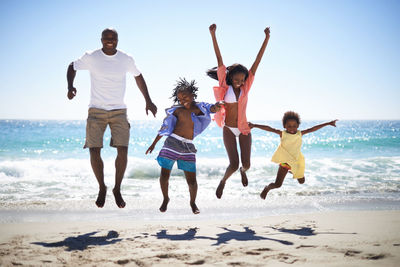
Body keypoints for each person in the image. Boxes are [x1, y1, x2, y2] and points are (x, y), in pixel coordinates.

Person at [66, 28, 157, 208]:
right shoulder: (91, 56)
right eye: (106, 38)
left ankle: (117, 188)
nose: (110, 41)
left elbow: (138, 77)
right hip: (96, 111)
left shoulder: (125, 59)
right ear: (101, 39)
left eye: (113, 38)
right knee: (94, 150)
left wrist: (148, 100)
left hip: (119, 111)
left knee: (122, 150)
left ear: (117, 40)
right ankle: (102, 187)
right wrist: (70, 86)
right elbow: (72, 66)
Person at [207, 24, 270, 199]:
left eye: (242, 80)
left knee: (246, 164)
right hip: (228, 127)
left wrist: (266, 39)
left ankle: (244, 171)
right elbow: (219, 59)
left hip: (243, 128)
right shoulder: (224, 85)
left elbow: (257, 62)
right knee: (232, 165)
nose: (240, 82)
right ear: (230, 77)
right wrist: (213, 34)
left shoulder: (245, 88)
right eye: (237, 79)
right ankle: (223, 181)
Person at [146, 78, 222, 214]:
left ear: (193, 94)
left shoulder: (200, 108)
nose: (182, 100)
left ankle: (193, 202)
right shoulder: (177, 111)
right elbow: (164, 128)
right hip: (172, 143)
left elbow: (212, 108)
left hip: (188, 147)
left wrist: (218, 106)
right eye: (179, 99)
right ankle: (165, 198)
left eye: (185, 96)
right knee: (164, 176)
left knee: (191, 180)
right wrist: (153, 144)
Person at [248, 111, 338, 199]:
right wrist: (255, 125)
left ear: (298, 126)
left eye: (294, 126)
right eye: (289, 126)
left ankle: (292, 171)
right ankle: (267, 188)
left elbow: (313, 129)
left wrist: (328, 123)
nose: (292, 128)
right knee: (278, 184)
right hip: (285, 162)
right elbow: (269, 129)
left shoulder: (300, 134)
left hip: (296, 161)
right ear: (284, 126)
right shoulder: (282, 134)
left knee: (302, 181)